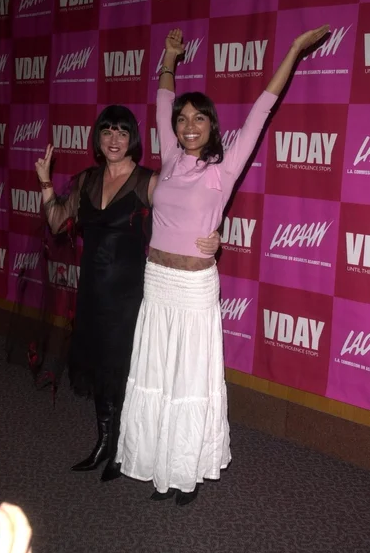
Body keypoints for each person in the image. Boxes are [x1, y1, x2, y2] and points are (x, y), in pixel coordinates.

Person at [116, 25, 330, 505]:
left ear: (212, 127)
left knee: (189, 377)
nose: (188, 126)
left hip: (193, 288)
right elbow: (162, 99)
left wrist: (293, 46)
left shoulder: (223, 169)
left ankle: (185, 469)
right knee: (156, 372)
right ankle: (155, 463)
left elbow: (261, 110)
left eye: (199, 120)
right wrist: (169, 58)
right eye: (183, 120)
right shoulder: (169, 158)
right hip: (158, 281)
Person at [35, 105, 221, 481]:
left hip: (131, 293)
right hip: (92, 290)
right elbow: (56, 223)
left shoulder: (148, 181)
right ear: (98, 140)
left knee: (126, 369)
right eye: (107, 132)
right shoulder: (86, 180)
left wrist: (215, 236)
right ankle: (104, 442)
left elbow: (188, 211)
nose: (114, 139)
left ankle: (122, 448)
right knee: (99, 365)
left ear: (132, 138)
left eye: (122, 132)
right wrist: (45, 183)